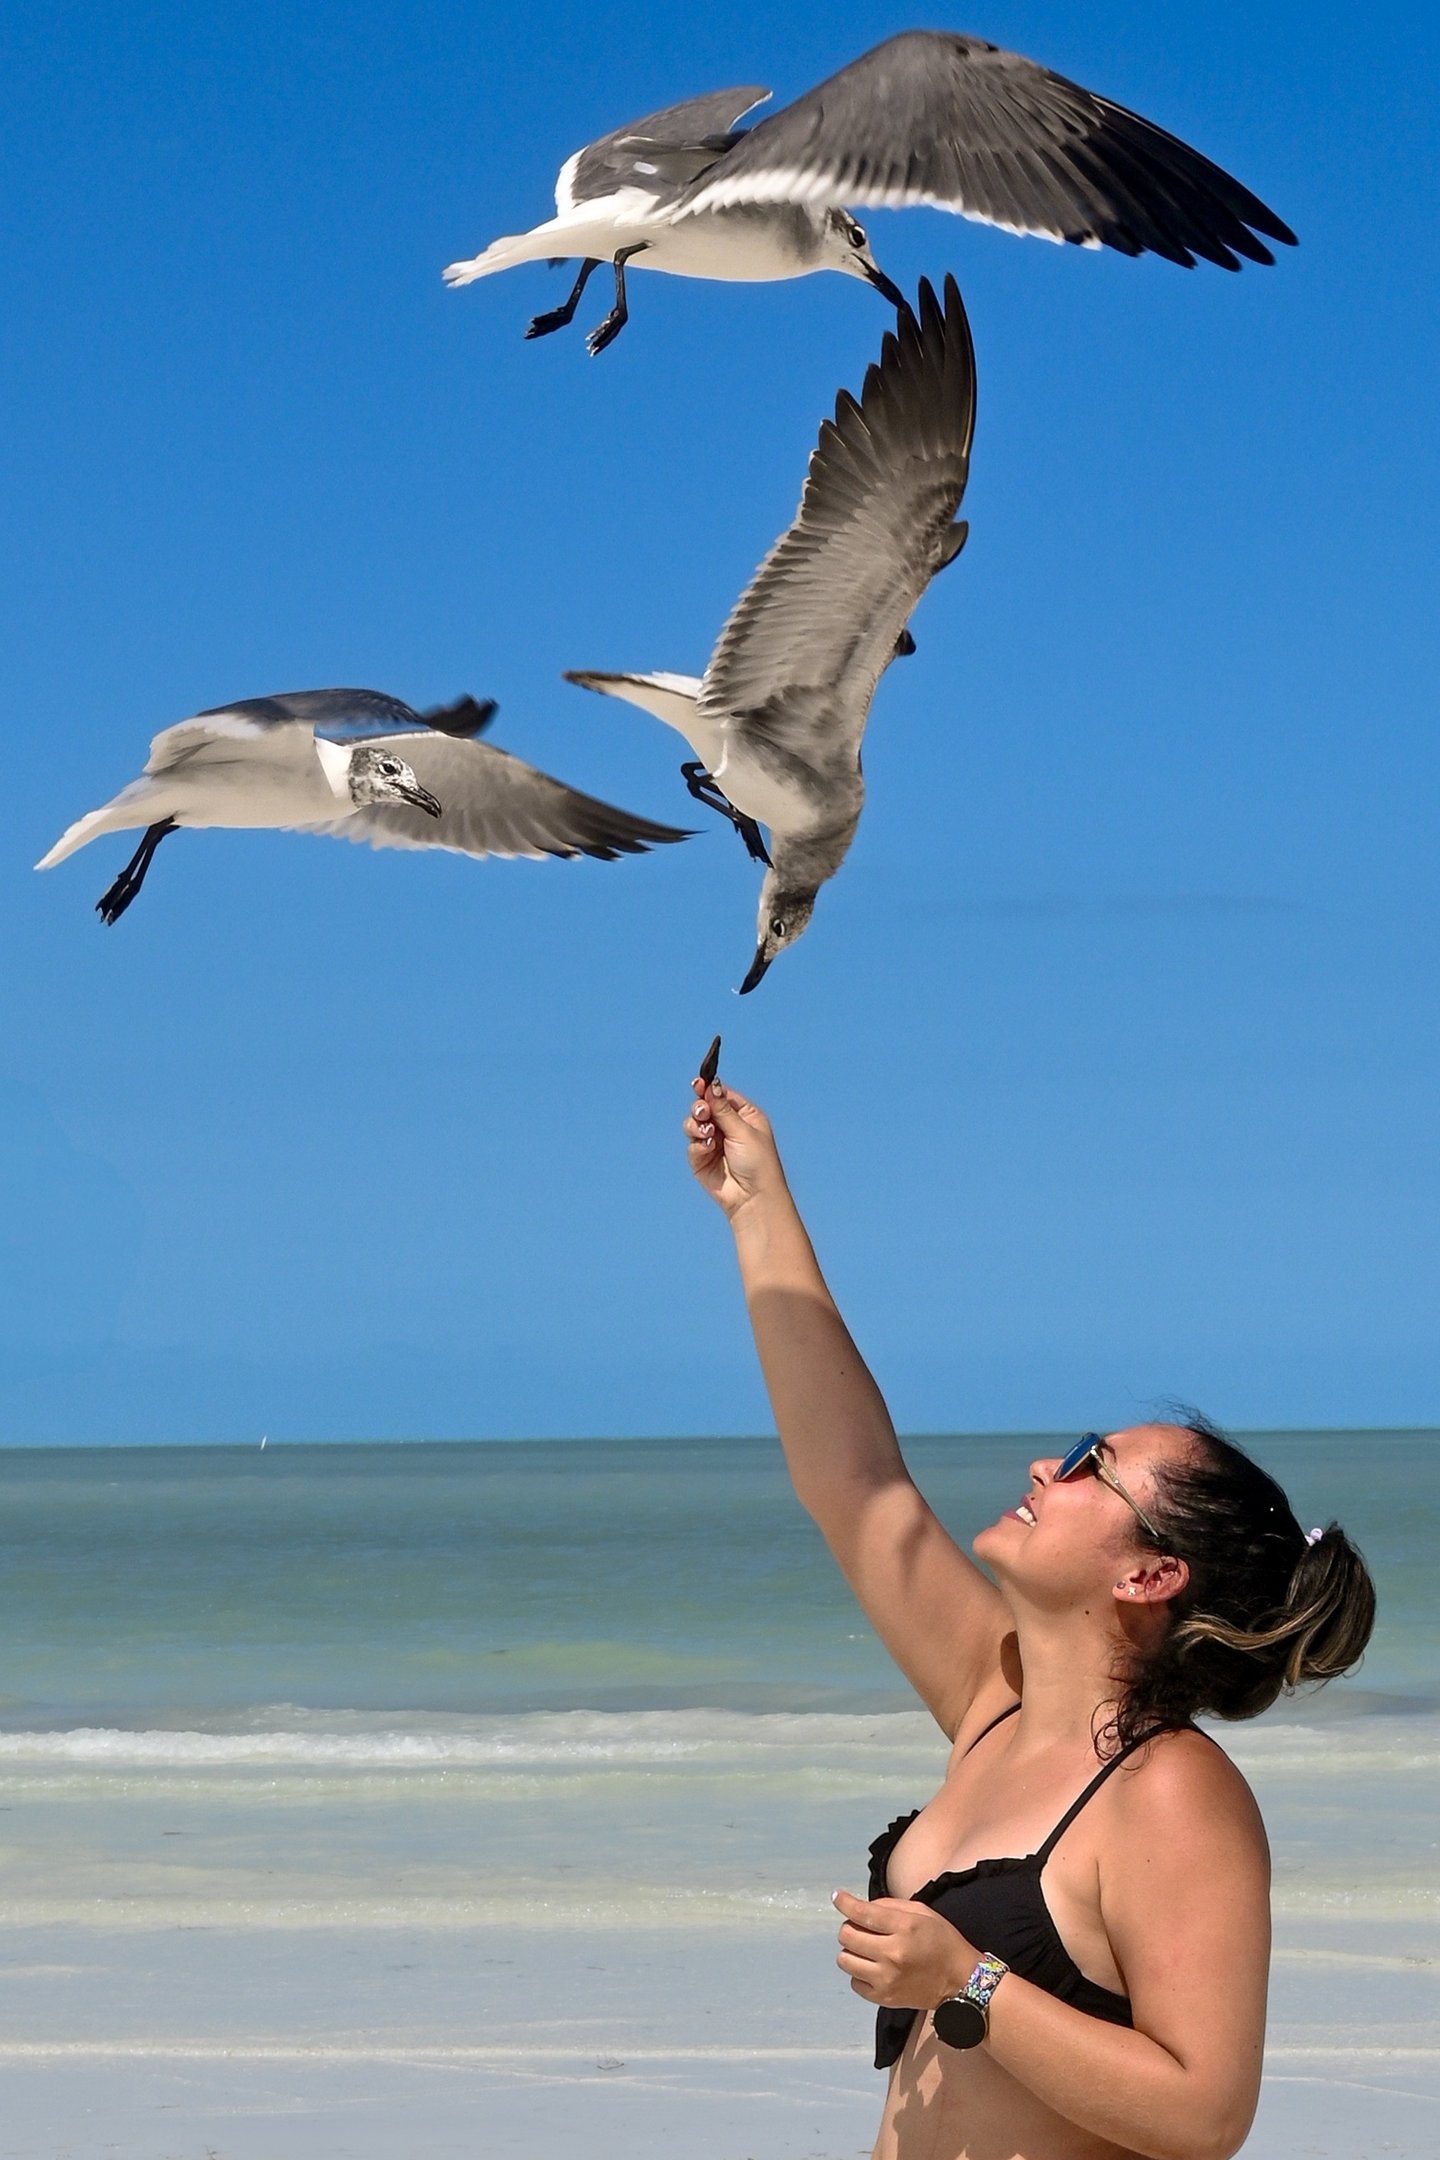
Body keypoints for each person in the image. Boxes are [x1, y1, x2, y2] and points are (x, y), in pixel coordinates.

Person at [683, 1069, 1376, 2160]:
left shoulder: (1172, 1793)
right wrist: (759, 1205)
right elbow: (857, 1484)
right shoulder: (993, 1706)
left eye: (1094, 1469)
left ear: (1150, 1575)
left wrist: (966, 1975)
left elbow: (1206, 2113)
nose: (1048, 1466)